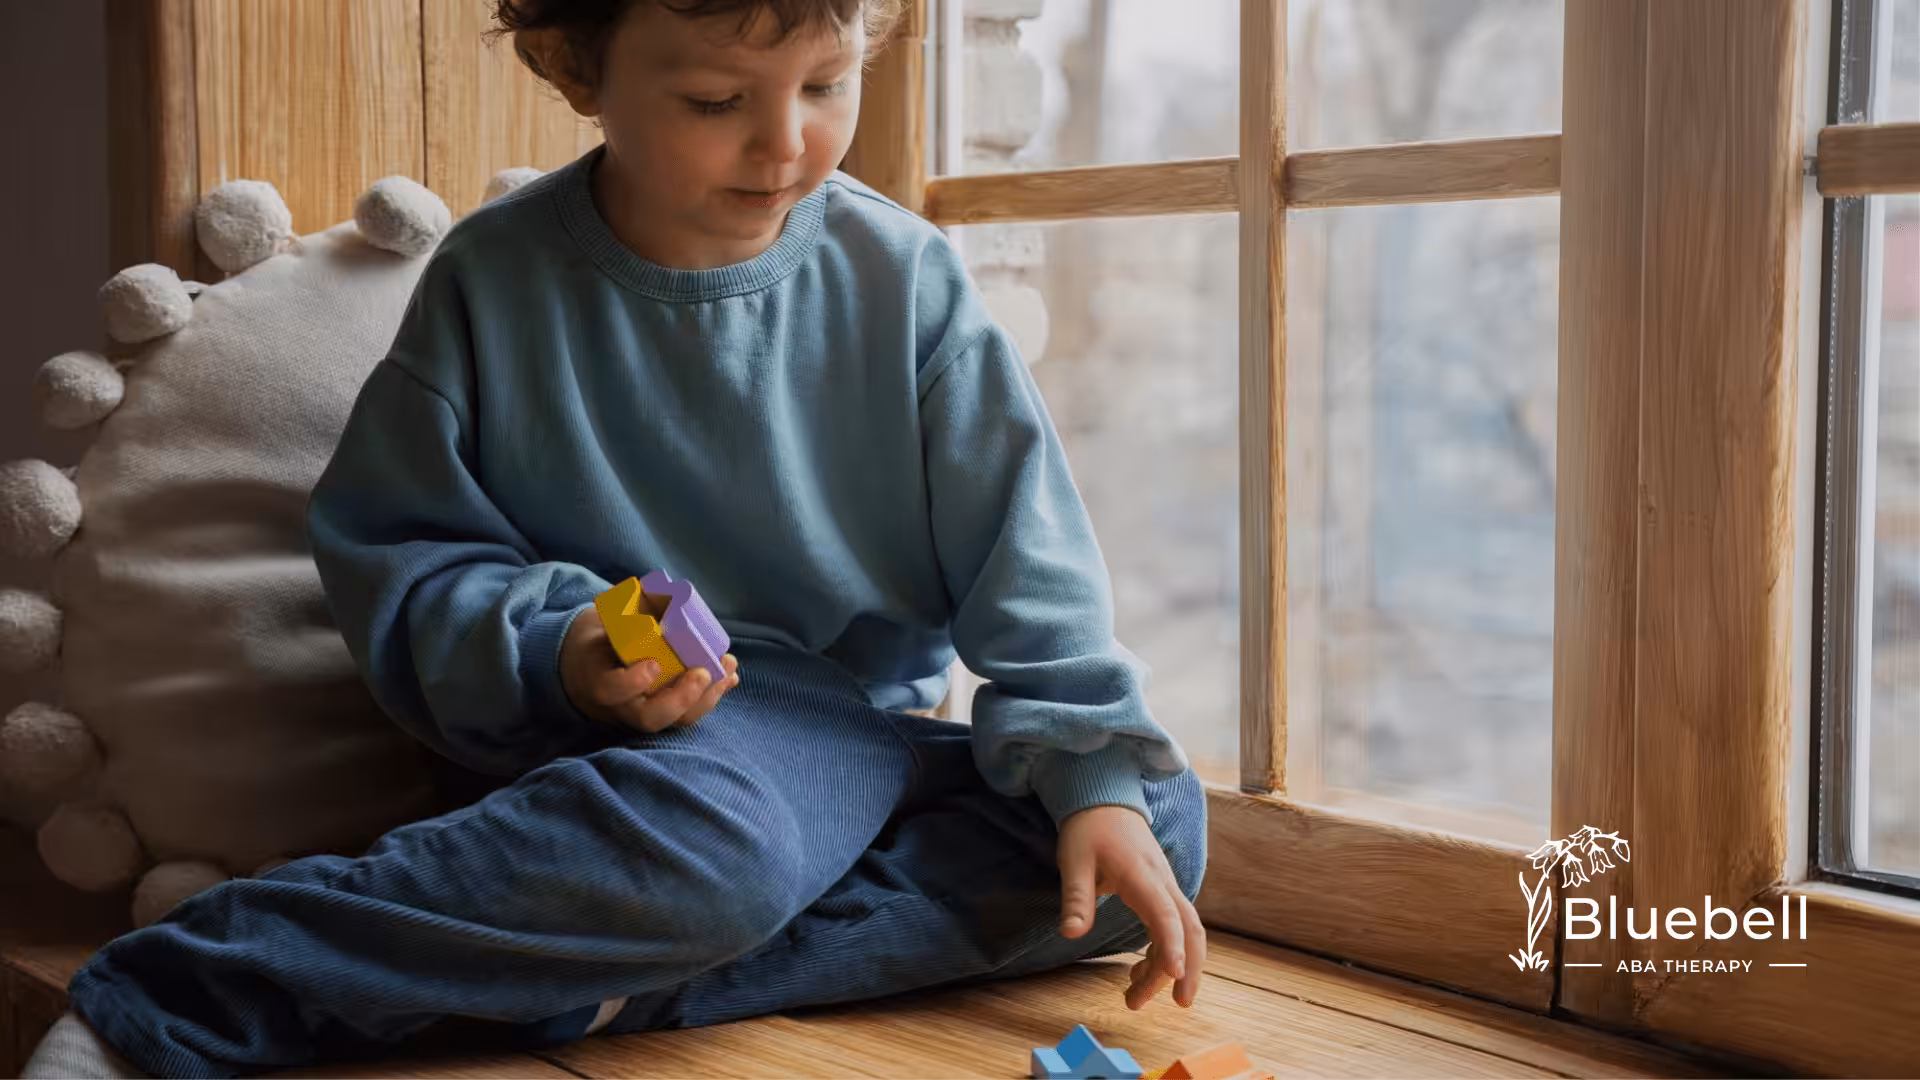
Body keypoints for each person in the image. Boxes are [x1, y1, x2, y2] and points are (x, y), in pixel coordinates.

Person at [26, 0, 1207, 1075]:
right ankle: (179, 992)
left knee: (1150, 826)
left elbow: (1028, 555)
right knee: (719, 851)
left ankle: (589, 989)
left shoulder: (908, 281)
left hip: (870, 746)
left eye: (829, 84)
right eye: (715, 101)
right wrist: (565, 649)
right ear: (571, 63)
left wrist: (1085, 773)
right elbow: (401, 558)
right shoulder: (491, 283)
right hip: (625, 768)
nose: (786, 142)